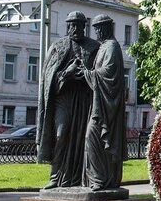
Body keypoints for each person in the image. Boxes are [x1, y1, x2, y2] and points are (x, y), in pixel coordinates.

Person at [37, 11, 100, 189]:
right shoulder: (59, 46)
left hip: (84, 100)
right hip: (62, 99)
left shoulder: (93, 47)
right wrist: (67, 73)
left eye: (79, 25)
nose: (75, 28)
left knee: (82, 139)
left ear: (84, 27)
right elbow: (48, 77)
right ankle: (56, 177)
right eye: (72, 25)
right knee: (61, 134)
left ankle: (81, 178)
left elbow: (100, 74)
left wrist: (85, 75)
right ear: (67, 26)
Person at [81, 15, 126, 191]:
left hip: (107, 107)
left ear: (106, 28)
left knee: (91, 137)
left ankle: (100, 179)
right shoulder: (104, 47)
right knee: (91, 139)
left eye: (99, 28)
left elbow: (109, 74)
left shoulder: (112, 47)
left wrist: (88, 73)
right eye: (95, 28)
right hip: (99, 102)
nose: (96, 32)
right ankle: (96, 178)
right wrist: (86, 72)